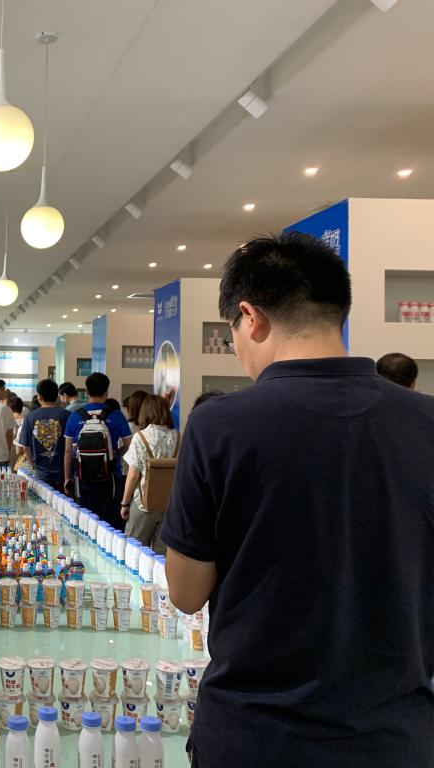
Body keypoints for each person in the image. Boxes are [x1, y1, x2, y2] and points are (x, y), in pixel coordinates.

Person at [161, 233, 434, 767]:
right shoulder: (426, 423)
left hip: (256, 735)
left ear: (250, 317)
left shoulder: (219, 425)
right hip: (395, 738)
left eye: (231, 330)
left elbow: (187, 592)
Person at [62, 372, 131, 530]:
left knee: (86, 521)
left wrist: (67, 478)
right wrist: (116, 453)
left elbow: (67, 451)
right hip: (110, 476)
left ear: (86, 392)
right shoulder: (116, 415)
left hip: (83, 476)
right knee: (110, 523)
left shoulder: (75, 416)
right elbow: (130, 445)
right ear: (106, 392)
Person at [119, 394, 178, 554]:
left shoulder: (140, 437)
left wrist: (125, 503)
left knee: (135, 553)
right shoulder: (177, 436)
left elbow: (133, 475)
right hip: (168, 505)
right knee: (161, 556)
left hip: (143, 504)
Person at [17, 378, 71, 489]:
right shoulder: (67, 415)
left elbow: (25, 447)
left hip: (40, 474)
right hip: (62, 474)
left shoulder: (30, 417)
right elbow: (69, 449)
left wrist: (33, 465)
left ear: (39, 397)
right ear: (56, 396)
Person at [7, 395, 27, 470]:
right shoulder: (26, 422)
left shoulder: (6, 421)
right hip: (21, 455)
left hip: (7, 453)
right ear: (21, 408)